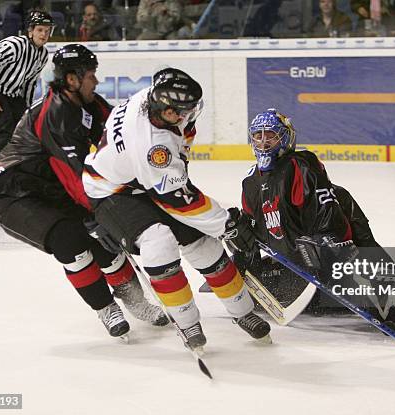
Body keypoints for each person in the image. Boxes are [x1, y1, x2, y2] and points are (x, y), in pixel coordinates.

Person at [224, 108, 395, 335]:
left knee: (385, 295)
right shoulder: (250, 182)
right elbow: (256, 228)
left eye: (270, 136)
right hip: (298, 263)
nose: (263, 142)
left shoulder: (300, 165)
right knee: (299, 297)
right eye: (257, 136)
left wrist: (326, 243)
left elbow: (327, 211)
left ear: (284, 138)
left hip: (334, 249)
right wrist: (241, 237)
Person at [0, 44, 169, 338]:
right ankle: (105, 307)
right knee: (72, 241)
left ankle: (136, 299)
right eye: (91, 75)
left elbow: (120, 137)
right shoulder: (55, 114)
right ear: (72, 79)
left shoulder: (90, 104)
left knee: (107, 243)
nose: (96, 81)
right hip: (17, 194)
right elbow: (72, 175)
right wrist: (98, 215)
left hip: (54, 189)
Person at [82, 68, 271, 350]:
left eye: (185, 111)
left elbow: (181, 147)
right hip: (111, 191)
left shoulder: (154, 100)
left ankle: (243, 311)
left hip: (141, 180)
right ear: (161, 107)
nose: (182, 117)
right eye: (176, 113)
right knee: (158, 242)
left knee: (202, 243)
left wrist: (215, 224)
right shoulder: (152, 144)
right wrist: (226, 224)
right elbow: (178, 200)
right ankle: (187, 323)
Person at [0, 10, 55, 200]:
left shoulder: (42, 55)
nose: (44, 34)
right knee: (7, 131)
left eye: (47, 31)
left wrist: (27, 112)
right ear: (31, 31)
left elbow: (29, 84)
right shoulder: (14, 45)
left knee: (24, 133)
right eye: (40, 30)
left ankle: (14, 175)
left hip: (12, 95)